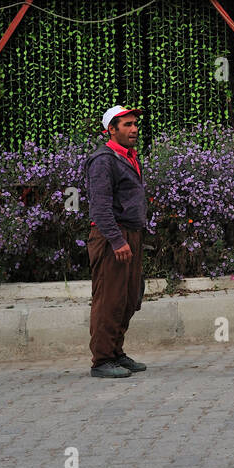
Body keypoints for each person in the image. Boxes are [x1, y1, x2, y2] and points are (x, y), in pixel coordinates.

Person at [84, 106, 148, 379]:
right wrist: (116, 240)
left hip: (130, 234)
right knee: (109, 299)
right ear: (111, 129)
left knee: (129, 297)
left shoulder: (129, 157)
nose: (134, 129)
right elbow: (99, 206)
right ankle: (101, 360)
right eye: (127, 125)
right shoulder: (103, 160)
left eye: (135, 124)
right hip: (113, 237)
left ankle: (116, 352)